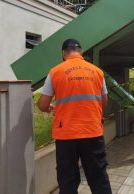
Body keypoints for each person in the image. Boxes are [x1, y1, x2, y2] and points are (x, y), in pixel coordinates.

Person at [37, 39, 112, 194]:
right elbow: (103, 101)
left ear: (64, 53)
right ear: (81, 52)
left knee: (67, 180)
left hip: (66, 135)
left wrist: (52, 107)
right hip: (92, 131)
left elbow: (43, 105)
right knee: (99, 178)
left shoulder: (55, 72)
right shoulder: (97, 72)